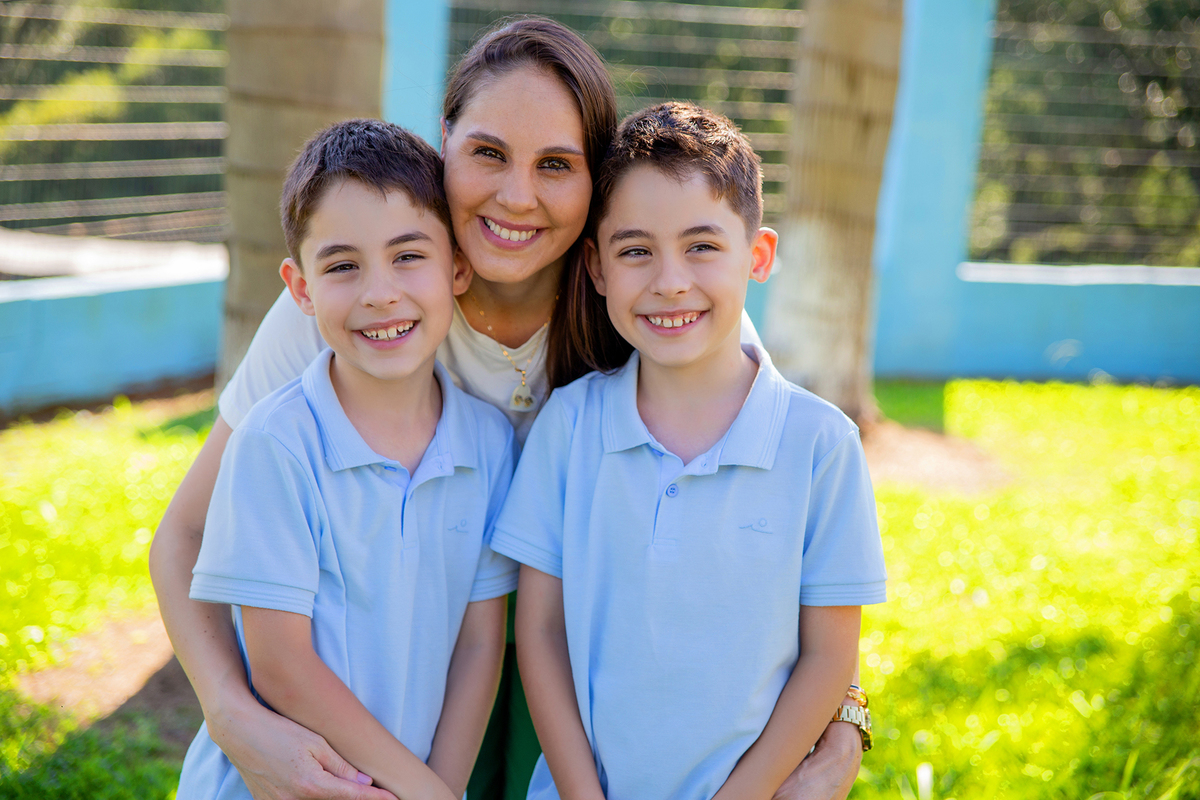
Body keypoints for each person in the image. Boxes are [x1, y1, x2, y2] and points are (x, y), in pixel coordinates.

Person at [150, 16, 866, 800]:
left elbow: (774, 534)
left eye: (556, 164)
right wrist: (230, 713)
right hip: (401, 668)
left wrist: (847, 721)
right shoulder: (354, 301)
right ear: (446, 141)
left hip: (568, 685)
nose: (516, 196)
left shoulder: (651, 299)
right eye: (489, 153)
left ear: (595, 184)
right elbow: (186, 534)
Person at [493, 102, 888, 800]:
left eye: (701, 245)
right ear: (596, 267)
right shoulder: (570, 425)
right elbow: (541, 632)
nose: (670, 280)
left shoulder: (822, 445)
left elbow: (830, 659)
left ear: (757, 256)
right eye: (636, 250)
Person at [175, 119, 518, 800]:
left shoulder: (489, 443)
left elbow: (480, 646)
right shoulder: (275, 444)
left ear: (457, 267)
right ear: (299, 289)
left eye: (408, 256)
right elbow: (282, 669)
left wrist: (437, 789)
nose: (379, 293)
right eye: (341, 266)